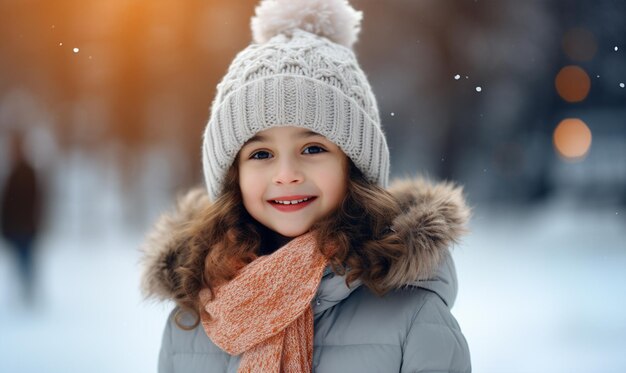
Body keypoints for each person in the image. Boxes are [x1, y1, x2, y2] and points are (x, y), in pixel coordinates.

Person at [140, 0, 471, 371]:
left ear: (354, 165)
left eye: (313, 148)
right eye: (261, 154)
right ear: (233, 175)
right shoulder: (192, 320)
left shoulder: (414, 317)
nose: (286, 174)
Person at [1, 131, 43, 305]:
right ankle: (25, 290)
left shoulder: (23, 173)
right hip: (20, 226)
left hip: (23, 226)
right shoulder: (18, 172)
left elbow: (36, 200)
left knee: (25, 258)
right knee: (22, 259)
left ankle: (28, 291)